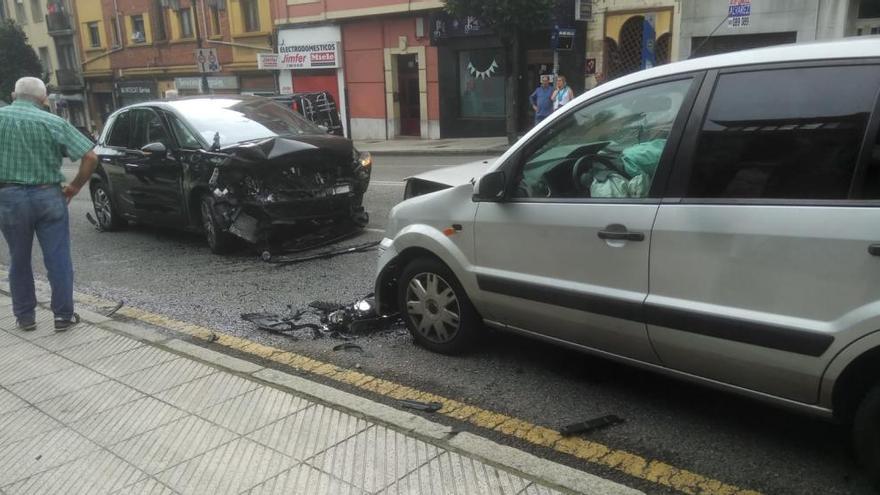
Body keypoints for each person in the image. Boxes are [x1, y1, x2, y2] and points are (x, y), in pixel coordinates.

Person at [0, 77, 98, 332]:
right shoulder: (53, 121)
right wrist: (75, 186)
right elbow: (90, 156)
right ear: (43, 99)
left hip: (9, 196)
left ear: (14, 95)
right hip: (48, 195)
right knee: (58, 259)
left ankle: (25, 317)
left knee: (18, 258)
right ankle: (63, 316)